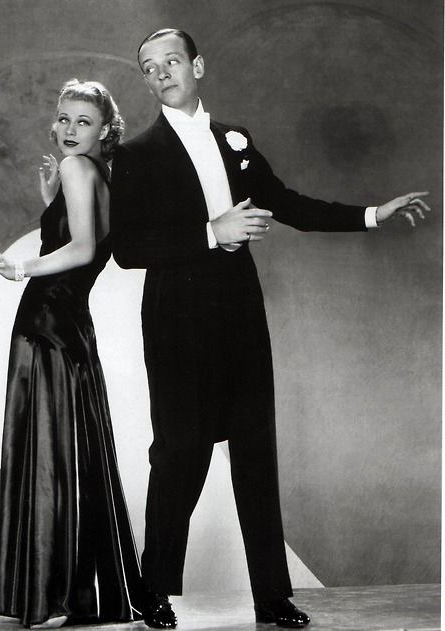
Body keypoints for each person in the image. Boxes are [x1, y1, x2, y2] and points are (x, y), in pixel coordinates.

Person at [109, 28, 430, 630]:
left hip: (241, 314)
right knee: (180, 454)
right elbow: (127, 249)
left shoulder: (237, 138)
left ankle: (272, 596)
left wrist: (371, 214)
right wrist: (212, 233)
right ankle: (152, 590)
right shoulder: (134, 154)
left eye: (171, 61)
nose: (161, 73)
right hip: (177, 323)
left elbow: (288, 203)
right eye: (149, 67)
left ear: (198, 67)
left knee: (256, 452)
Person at [0, 79, 143, 629]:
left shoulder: (77, 169)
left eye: (83, 122)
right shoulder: (99, 174)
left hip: (45, 323)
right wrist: (52, 204)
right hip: (72, 326)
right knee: (70, 455)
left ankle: (52, 593)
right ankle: (76, 593)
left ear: (105, 129)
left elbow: (84, 249)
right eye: (64, 118)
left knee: (48, 456)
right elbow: (87, 240)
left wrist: (18, 266)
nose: (70, 130)